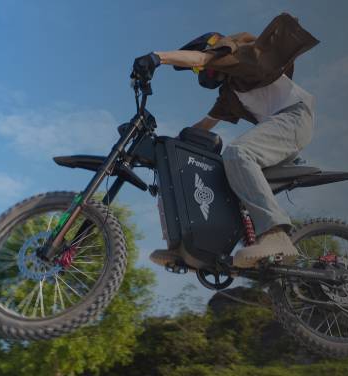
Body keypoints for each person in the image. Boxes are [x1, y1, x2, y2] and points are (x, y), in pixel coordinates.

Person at [130, 13, 320, 269]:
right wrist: (166, 149)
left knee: (238, 153)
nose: (199, 71)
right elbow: (203, 126)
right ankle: (192, 248)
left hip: (295, 118)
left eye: (197, 68)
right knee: (217, 173)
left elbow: (201, 58)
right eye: (196, 70)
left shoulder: (239, 53)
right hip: (282, 128)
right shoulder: (231, 92)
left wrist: (157, 57)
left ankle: (275, 234)